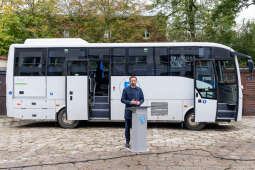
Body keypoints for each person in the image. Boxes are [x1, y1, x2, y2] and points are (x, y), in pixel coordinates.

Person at [121, 76, 144, 148]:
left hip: (137, 112)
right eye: (132, 81)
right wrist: (130, 102)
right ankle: (127, 142)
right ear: (130, 81)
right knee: (127, 128)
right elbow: (122, 100)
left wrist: (139, 103)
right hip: (128, 111)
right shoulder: (126, 89)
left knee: (136, 128)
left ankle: (136, 141)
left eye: (134, 81)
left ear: (136, 81)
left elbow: (142, 99)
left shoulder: (139, 90)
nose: (133, 82)